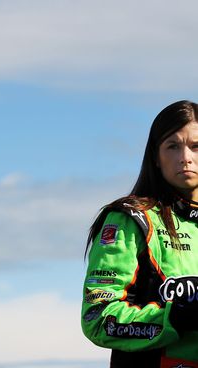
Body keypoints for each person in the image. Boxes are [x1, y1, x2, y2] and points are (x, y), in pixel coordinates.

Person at [81, 100, 198, 368]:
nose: (185, 157)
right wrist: (178, 317)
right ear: (155, 157)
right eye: (173, 146)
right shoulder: (129, 219)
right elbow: (97, 318)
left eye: (196, 146)